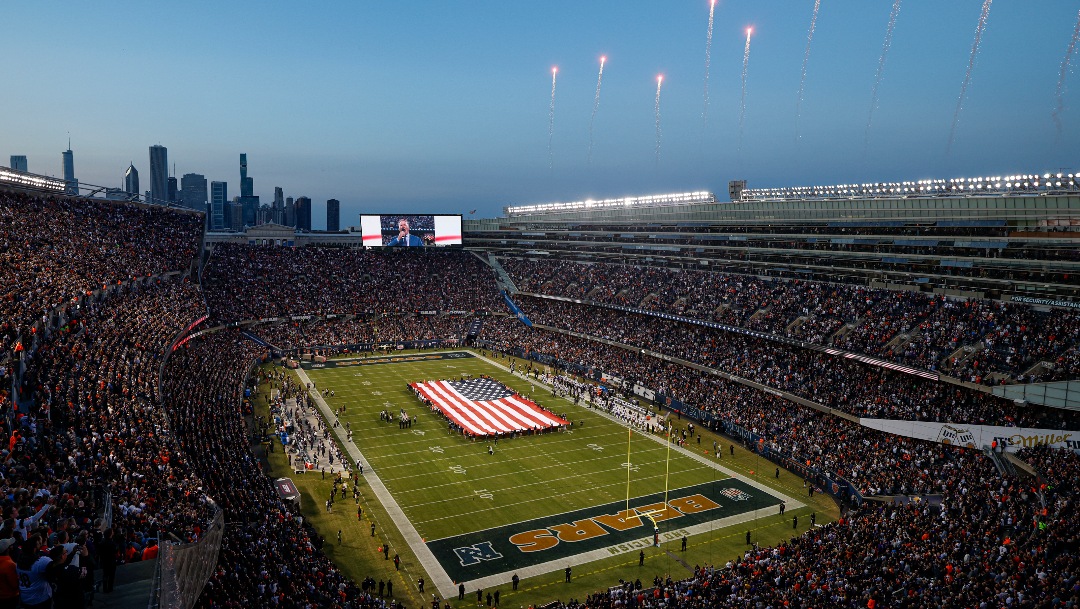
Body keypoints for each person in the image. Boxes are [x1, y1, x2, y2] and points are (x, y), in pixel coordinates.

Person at [0, 538, 18, 609]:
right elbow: (15, 584)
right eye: (10, 545)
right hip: (10, 597)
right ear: (8, 549)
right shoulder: (10, 565)